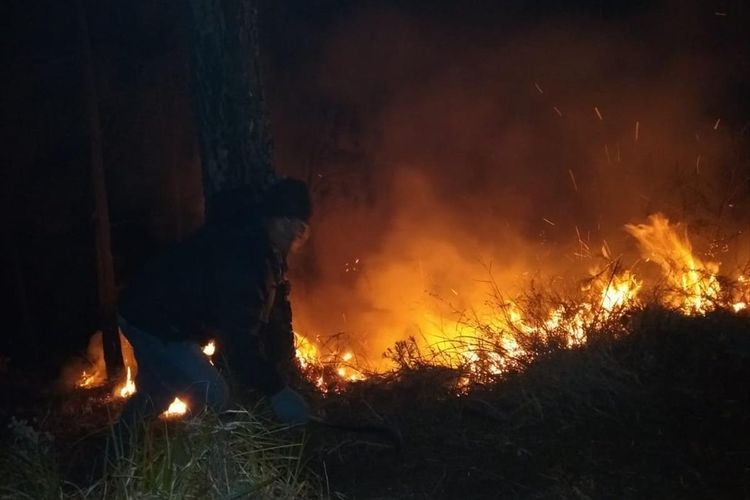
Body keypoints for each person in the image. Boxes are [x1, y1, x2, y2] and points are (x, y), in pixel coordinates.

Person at [115, 178, 312, 433]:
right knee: (212, 394)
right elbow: (239, 340)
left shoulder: (257, 243)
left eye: (303, 228)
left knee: (157, 390)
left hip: (147, 310)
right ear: (277, 220)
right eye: (295, 225)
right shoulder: (245, 256)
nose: (298, 235)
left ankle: (113, 454)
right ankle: (189, 466)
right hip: (154, 319)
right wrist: (277, 391)